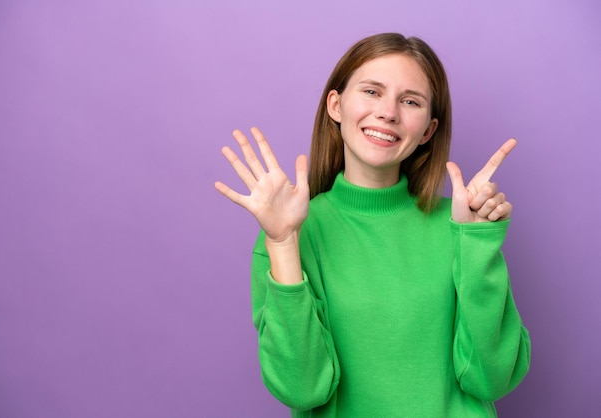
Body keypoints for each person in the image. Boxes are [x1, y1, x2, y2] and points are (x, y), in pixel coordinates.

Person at [215, 33, 530, 417]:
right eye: (372, 91)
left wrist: (477, 243)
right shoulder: (291, 231)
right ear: (336, 105)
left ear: (428, 131)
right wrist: (282, 243)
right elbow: (303, 389)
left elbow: (491, 379)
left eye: (410, 101)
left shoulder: (459, 225)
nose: (388, 112)